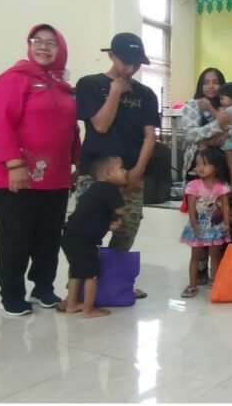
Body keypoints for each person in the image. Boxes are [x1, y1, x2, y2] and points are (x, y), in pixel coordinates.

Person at [0, 23, 80, 317]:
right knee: (16, 236)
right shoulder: (14, 79)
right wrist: (14, 164)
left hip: (56, 175)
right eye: (37, 41)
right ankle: (12, 294)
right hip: (18, 174)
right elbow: (0, 122)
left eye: (51, 42)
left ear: (61, 48)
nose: (43, 46)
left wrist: (77, 162)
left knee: (49, 235)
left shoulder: (63, 86)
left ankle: (43, 286)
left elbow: (71, 129)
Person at [73, 32, 159, 300]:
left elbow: (150, 136)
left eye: (137, 64)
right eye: (126, 62)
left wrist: (137, 173)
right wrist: (115, 91)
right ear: (111, 55)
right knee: (87, 232)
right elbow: (100, 125)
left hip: (130, 175)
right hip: (94, 177)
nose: (131, 69)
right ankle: (79, 287)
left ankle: (118, 281)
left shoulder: (146, 94)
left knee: (126, 229)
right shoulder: (89, 84)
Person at [181, 68, 232, 285]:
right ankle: (200, 270)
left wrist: (219, 135)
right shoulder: (192, 105)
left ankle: (222, 270)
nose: (211, 86)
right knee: (201, 220)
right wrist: (217, 126)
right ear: (200, 85)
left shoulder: (230, 108)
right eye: (206, 82)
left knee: (224, 221)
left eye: (216, 82)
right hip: (198, 172)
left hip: (223, 173)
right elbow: (190, 134)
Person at [60, 155, 127, 319]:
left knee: (77, 272)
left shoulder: (94, 189)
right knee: (92, 274)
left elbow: (92, 215)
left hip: (70, 234)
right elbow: (120, 211)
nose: (126, 171)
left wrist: (107, 224)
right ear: (108, 174)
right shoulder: (110, 189)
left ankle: (72, 304)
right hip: (84, 240)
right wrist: (117, 219)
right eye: (121, 168)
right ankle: (89, 310)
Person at [179, 148, 232, 298]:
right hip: (198, 227)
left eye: (205, 164)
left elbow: (225, 205)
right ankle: (192, 285)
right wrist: (194, 225)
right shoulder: (193, 185)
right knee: (195, 256)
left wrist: (227, 224)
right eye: (197, 164)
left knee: (215, 256)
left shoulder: (221, 185)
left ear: (216, 166)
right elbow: (191, 208)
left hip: (215, 227)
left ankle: (215, 282)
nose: (200, 168)